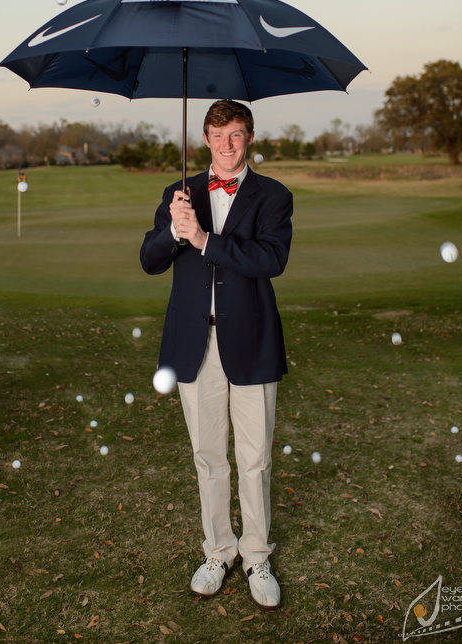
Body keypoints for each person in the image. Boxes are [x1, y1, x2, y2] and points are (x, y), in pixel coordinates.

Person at [140, 99, 293, 610]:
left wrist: (205, 239)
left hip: (250, 340)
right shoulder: (178, 193)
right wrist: (172, 229)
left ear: (250, 137)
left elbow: (271, 259)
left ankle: (256, 556)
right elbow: (149, 260)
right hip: (193, 342)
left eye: (237, 134)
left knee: (255, 459)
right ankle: (217, 550)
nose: (227, 145)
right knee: (209, 457)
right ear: (204, 139)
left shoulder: (274, 195)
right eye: (218, 134)